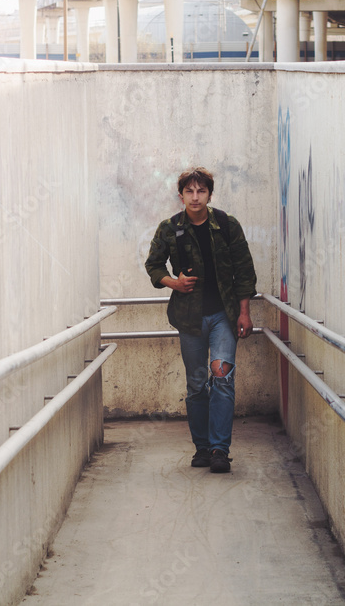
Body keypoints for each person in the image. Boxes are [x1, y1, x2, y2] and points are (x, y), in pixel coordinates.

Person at [144, 167, 257, 473]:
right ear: (180, 195)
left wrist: (244, 312)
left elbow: (244, 270)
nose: (195, 197)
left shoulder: (227, 225)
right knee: (196, 385)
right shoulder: (170, 229)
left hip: (225, 314)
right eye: (189, 192)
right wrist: (174, 283)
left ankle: (220, 449)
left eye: (201, 191)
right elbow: (153, 266)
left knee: (221, 375)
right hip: (189, 317)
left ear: (209, 193)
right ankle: (203, 448)